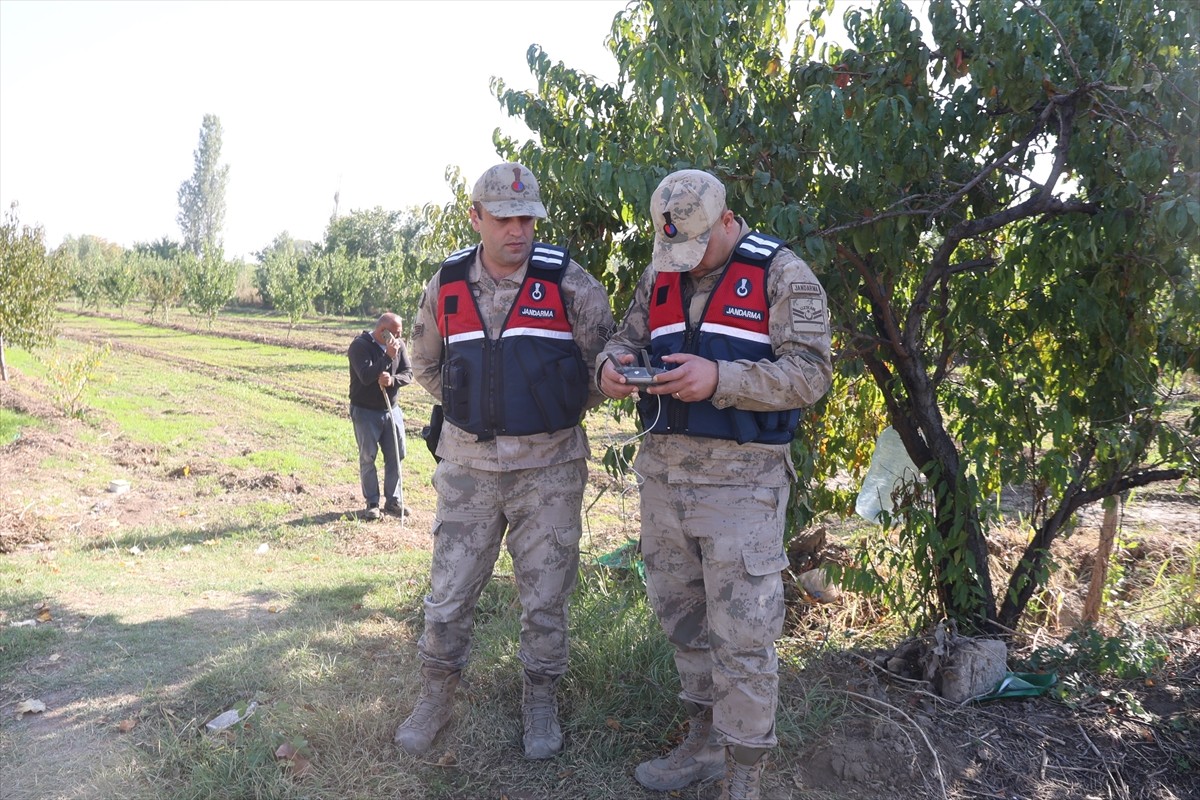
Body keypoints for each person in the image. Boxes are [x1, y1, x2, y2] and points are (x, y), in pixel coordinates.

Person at [597, 169, 833, 800]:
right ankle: (703, 743)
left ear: (728, 220)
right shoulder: (664, 271)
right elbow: (624, 337)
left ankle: (745, 776)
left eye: (696, 247)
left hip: (741, 487)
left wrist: (721, 379)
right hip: (664, 480)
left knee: (745, 637)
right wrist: (611, 368)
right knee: (684, 620)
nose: (684, 262)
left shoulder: (781, 274)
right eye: (673, 250)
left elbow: (811, 374)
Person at [395, 162, 615, 760]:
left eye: (528, 218)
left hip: (549, 469)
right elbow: (426, 363)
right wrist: (478, 409)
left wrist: (547, 406)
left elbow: (604, 363)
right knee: (450, 591)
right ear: (476, 218)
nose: (518, 230)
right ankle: (437, 693)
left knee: (546, 595)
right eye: (504, 218)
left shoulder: (570, 283)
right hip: (468, 469)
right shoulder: (446, 284)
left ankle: (539, 698)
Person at [347, 312, 413, 520]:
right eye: (395, 333)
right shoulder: (359, 346)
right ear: (383, 331)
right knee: (368, 456)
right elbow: (366, 376)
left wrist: (392, 380)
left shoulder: (399, 346)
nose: (399, 337)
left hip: (391, 410)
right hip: (365, 411)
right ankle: (372, 502)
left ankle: (393, 501)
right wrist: (387, 357)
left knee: (396, 454)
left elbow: (408, 373)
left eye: (400, 333)